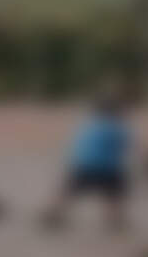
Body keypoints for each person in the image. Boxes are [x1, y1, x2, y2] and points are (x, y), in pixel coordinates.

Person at [43, 95, 130, 230]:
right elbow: (123, 147)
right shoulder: (117, 127)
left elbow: (79, 146)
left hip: (81, 165)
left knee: (68, 191)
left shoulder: (89, 125)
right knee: (115, 192)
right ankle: (114, 218)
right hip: (106, 168)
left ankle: (53, 213)